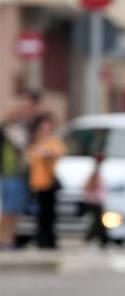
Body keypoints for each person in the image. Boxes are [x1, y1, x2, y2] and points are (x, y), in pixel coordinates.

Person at [1, 90, 41, 250]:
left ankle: (9, 238)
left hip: (22, 173)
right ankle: (4, 239)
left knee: (16, 209)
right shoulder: (6, 130)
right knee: (8, 209)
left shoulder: (24, 128)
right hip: (9, 173)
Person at [26, 113, 65, 250]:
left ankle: (49, 239)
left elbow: (57, 152)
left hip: (49, 183)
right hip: (37, 184)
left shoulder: (53, 142)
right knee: (40, 214)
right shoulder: (35, 142)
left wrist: (45, 151)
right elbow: (29, 157)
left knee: (50, 213)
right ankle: (41, 238)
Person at [82, 151, 108, 248]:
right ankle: (97, 238)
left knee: (98, 221)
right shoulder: (96, 172)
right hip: (94, 200)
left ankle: (100, 239)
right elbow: (90, 186)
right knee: (98, 221)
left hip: (96, 199)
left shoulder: (97, 171)